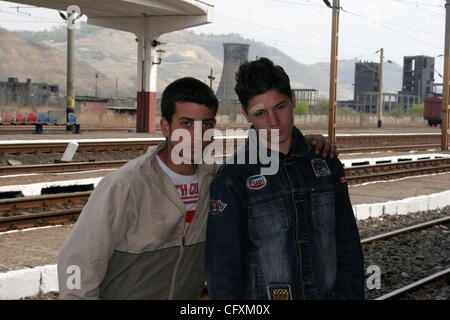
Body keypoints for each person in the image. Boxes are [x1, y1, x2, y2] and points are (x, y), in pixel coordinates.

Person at [57, 76, 335, 299]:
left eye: (207, 125)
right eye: (186, 124)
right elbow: (78, 264)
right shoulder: (125, 186)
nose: (196, 136)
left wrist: (303, 145)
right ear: (166, 127)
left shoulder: (218, 181)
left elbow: (267, 172)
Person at [205, 58, 365, 300]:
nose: (273, 122)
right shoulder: (233, 178)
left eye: (280, 107)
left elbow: (349, 248)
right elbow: (223, 272)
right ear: (246, 115)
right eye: (260, 113)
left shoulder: (326, 164)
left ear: (292, 98)